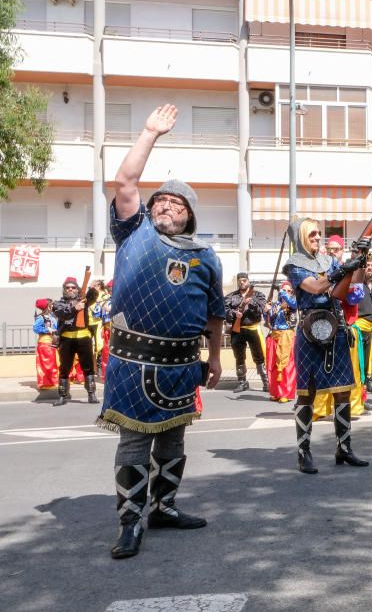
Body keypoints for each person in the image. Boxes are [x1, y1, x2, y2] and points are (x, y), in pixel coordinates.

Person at [95, 104, 225, 560]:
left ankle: (163, 507)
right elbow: (125, 182)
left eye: (178, 204)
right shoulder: (135, 232)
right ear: (150, 210)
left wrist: (214, 356)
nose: (168, 206)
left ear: (190, 216)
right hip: (133, 361)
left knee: (173, 440)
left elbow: (214, 313)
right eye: (162, 201)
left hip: (181, 364)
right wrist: (149, 133)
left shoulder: (206, 256)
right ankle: (130, 522)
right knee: (134, 442)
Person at [283, 218, 368, 474]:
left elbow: (354, 285)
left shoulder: (329, 261)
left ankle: (344, 448)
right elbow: (317, 286)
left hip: (336, 327)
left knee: (343, 392)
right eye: (312, 235)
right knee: (306, 393)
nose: (317, 238)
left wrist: (360, 259)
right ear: (301, 237)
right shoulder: (294, 264)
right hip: (310, 330)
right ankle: (304, 452)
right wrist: (343, 269)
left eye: (319, 234)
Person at [51, 276, 98, 405]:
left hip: (84, 337)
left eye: (73, 287)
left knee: (88, 368)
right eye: (68, 287)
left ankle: (91, 394)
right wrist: (74, 308)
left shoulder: (84, 300)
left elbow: (93, 296)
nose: (70, 289)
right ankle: (62, 396)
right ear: (64, 289)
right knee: (64, 368)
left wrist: (92, 289)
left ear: (77, 289)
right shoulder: (58, 304)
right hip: (67, 338)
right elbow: (62, 314)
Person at [349, 255, 372, 417]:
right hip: (359, 327)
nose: (370, 268)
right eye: (367, 265)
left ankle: (362, 398)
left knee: (365, 366)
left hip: (370, 328)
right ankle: (354, 400)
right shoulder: (358, 283)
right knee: (358, 366)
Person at [224, 272, 268, 393]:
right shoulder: (230, 296)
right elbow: (225, 311)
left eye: (244, 280)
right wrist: (234, 313)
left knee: (259, 356)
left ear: (248, 281)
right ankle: (242, 382)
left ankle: (266, 382)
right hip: (237, 330)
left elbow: (262, 309)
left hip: (253, 328)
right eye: (240, 280)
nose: (242, 282)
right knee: (239, 357)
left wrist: (251, 303)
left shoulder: (258, 295)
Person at [264, 281, 297, 403]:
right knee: (272, 365)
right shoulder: (275, 305)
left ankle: (286, 393)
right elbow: (269, 321)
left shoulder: (293, 303)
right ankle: (275, 392)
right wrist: (266, 311)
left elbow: (292, 303)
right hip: (274, 336)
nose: (286, 293)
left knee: (286, 366)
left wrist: (283, 293)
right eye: (284, 290)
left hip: (287, 337)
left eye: (289, 291)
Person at [33, 298, 59, 391]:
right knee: (47, 364)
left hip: (53, 342)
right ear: (47, 307)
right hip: (45, 343)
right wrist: (46, 330)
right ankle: (46, 383)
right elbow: (35, 328)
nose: (52, 306)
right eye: (51, 305)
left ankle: (53, 381)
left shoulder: (52, 316)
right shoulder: (41, 317)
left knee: (53, 363)